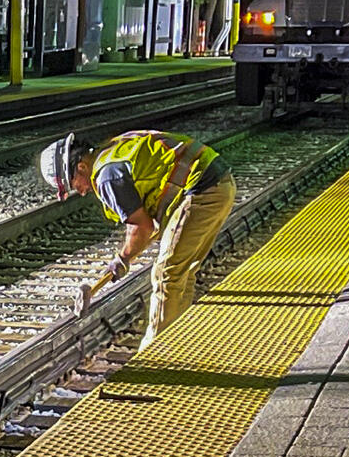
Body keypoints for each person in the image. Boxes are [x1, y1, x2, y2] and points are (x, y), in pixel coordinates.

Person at [41, 128, 236, 348]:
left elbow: (141, 228)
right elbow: (140, 218)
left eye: (75, 185)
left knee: (166, 273)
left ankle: (155, 354)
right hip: (219, 183)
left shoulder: (107, 176)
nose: (82, 192)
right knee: (182, 271)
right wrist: (123, 259)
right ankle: (177, 341)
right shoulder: (113, 149)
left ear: (81, 167)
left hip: (202, 190)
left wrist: (122, 258)